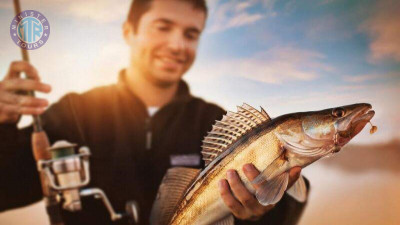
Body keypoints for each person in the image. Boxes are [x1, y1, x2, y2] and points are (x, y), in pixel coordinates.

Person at [0, 0, 307, 224]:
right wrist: (2, 122)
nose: (177, 45)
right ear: (128, 31)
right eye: (163, 27)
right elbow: (7, 188)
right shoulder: (74, 113)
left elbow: (280, 213)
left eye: (191, 34)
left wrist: (259, 214)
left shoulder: (212, 120)